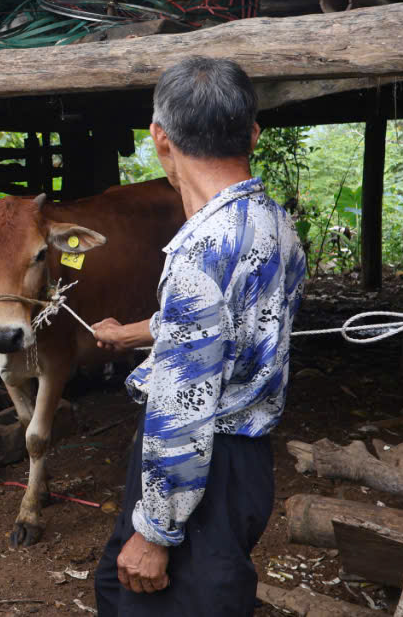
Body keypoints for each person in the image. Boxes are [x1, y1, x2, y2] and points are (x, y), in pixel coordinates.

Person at [90, 56, 306, 616]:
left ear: (160, 139)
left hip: (201, 471)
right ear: (253, 134)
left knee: (137, 595)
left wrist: (157, 532)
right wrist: (137, 333)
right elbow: (229, 323)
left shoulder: (199, 250)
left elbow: (183, 405)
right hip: (248, 466)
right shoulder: (274, 222)